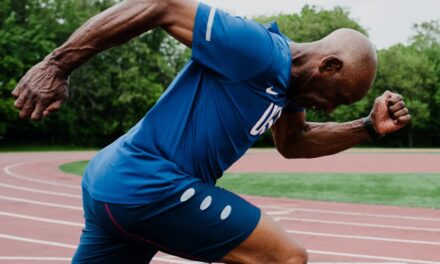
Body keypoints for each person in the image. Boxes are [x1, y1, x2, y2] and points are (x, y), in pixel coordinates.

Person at [12, 0, 411, 263]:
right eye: (337, 97)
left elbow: (294, 143)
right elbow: (162, 5)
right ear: (327, 66)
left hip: (117, 186)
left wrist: (367, 128)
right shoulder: (257, 49)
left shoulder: (291, 90)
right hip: (149, 182)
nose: (329, 107)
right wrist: (56, 64)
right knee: (287, 258)